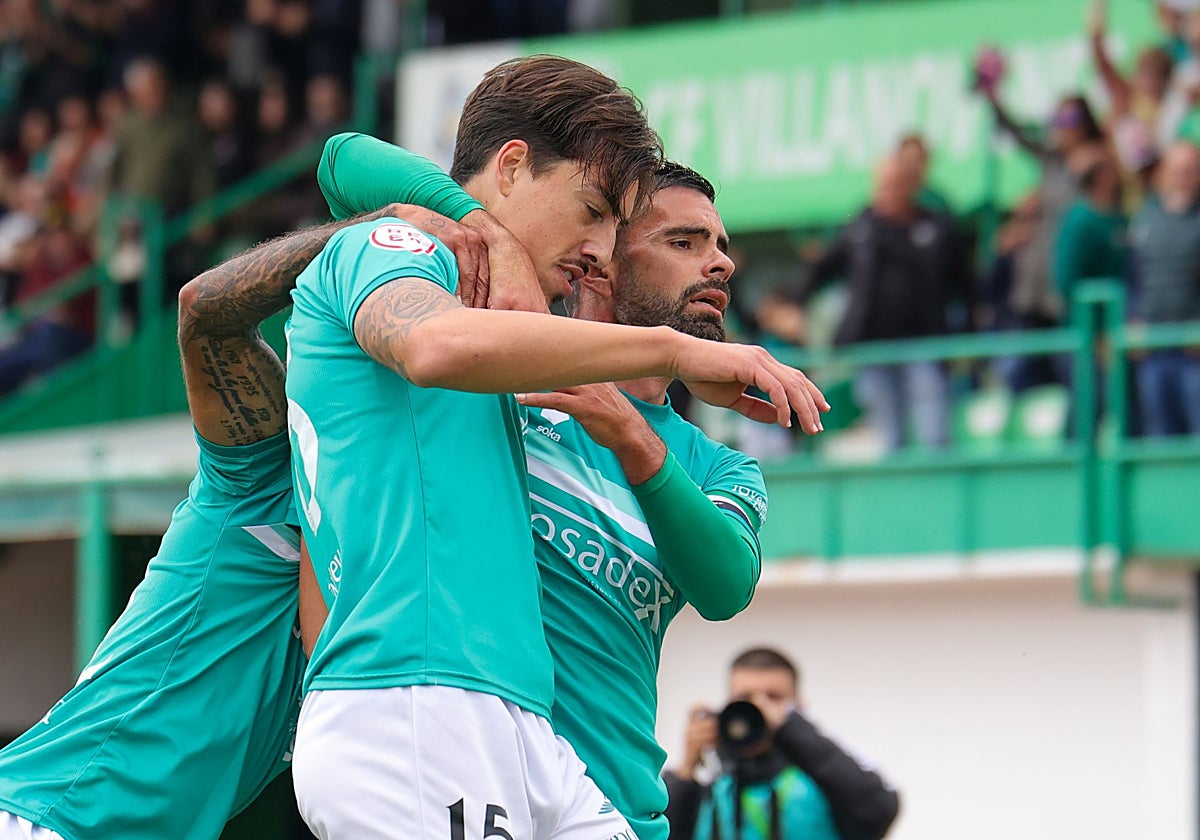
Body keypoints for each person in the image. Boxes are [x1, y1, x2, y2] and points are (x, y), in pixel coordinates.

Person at [285, 55, 827, 840]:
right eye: (677, 238)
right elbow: (343, 162)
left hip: (566, 767)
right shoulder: (492, 354)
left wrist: (636, 429)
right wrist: (481, 229)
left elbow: (725, 584)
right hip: (429, 711)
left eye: (720, 244)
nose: (720, 262)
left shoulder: (707, 459)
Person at [0, 201, 447, 840]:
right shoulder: (261, 479)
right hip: (44, 820)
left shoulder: (392, 564)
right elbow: (206, 313)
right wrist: (376, 233)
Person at [783, 155, 972, 452]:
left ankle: (938, 493)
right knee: (890, 437)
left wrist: (968, 331)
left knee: (936, 433)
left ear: (911, 188)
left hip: (925, 344)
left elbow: (964, 283)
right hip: (872, 348)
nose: (887, 194)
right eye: (883, 186)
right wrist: (797, 305)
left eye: (895, 186)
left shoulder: (935, 227)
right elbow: (824, 268)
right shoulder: (862, 227)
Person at [664, 648, 900, 840]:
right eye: (745, 699)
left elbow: (877, 811)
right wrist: (686, 770)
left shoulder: (823, 777)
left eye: (773, 698)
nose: (759, 708)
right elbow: (655, 833)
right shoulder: (713, 784)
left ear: (798, 707)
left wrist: (793, 730)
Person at [1129, 140, 1200, 436]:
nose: (1184, 178)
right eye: (1177, 170)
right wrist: (1133, 320)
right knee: (1160, 442)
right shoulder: (1145, 219)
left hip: (1193, 354)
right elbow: (1132, 278)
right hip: (1154, 351)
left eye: (1191, 170)